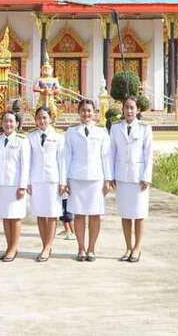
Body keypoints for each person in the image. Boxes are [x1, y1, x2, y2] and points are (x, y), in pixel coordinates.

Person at [62, 98, 112, 262]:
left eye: (89, 110)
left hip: (96, 178)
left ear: (94, 112)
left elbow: (106, 157)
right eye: (83, 110)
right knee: (79, 214)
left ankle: (91, 249)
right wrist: (64, 180)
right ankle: (81, 248)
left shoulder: (101, 132)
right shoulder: (71, 132)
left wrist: (108, 179)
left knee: (95, 214)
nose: (86, 113)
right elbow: (66, 157)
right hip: (76, 177)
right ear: (79, 112)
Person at [110, 97, 153, 263]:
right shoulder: (115, 128)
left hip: (138, 177)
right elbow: (111, 153)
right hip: (122, 176)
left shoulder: (144, 128)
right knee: (126, 214)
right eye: (126, 107)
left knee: (139, 214)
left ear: (138, 110)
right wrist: (111, 176)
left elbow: (148, 154)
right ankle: (128, 247)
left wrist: (146, 176)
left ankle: (137, 247)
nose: (129, 111)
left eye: (132, 108)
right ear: (123, 109)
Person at [27, 106, 65, 262]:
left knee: (52, 213)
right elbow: (28, 161)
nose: (42, 120)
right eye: (39, 118)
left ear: (51, 118)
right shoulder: (31, 137)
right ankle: (45, 246)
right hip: (36, 179)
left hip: (52, 179)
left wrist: (63, 182)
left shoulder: (59, 137)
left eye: (44, 117)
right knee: (40, 214)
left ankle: (48, 246)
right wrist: (27, 181)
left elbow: (62, 161)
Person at [0, 110, 30, 262]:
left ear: (17, 124)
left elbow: (25, 165)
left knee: (15, 217)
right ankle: (9, 247)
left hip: (16, 185)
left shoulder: (22, 140)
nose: (8, 124)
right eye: (5, 121)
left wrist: (22, 186)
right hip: (1, 184)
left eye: (11, 121)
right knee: (5, 217)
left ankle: (14, 248)